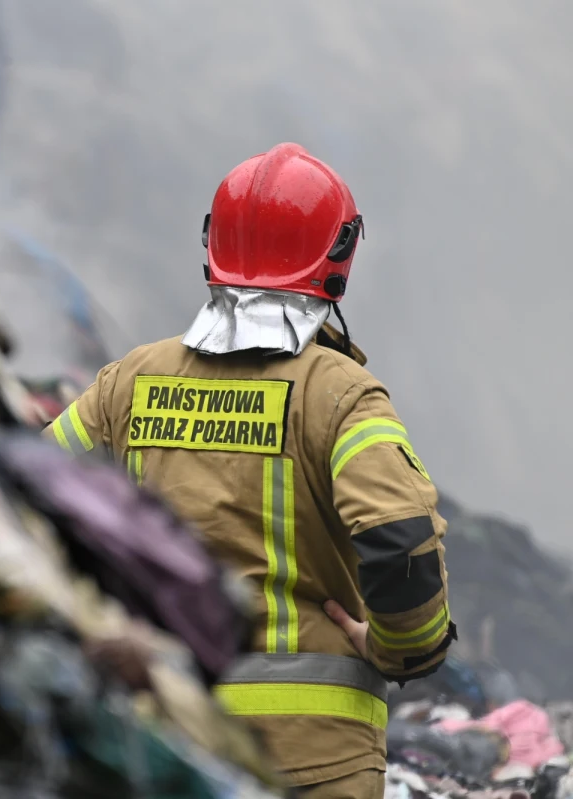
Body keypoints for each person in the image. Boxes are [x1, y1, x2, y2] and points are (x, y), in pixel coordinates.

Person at [43, 142, 455, 798]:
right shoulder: (339, 394)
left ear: (215, 248)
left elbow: (33, 489)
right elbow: (400, 537)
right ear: (337, 258)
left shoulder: (129, 381)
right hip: (312, 759)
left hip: (162, 743)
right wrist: (405, 648)